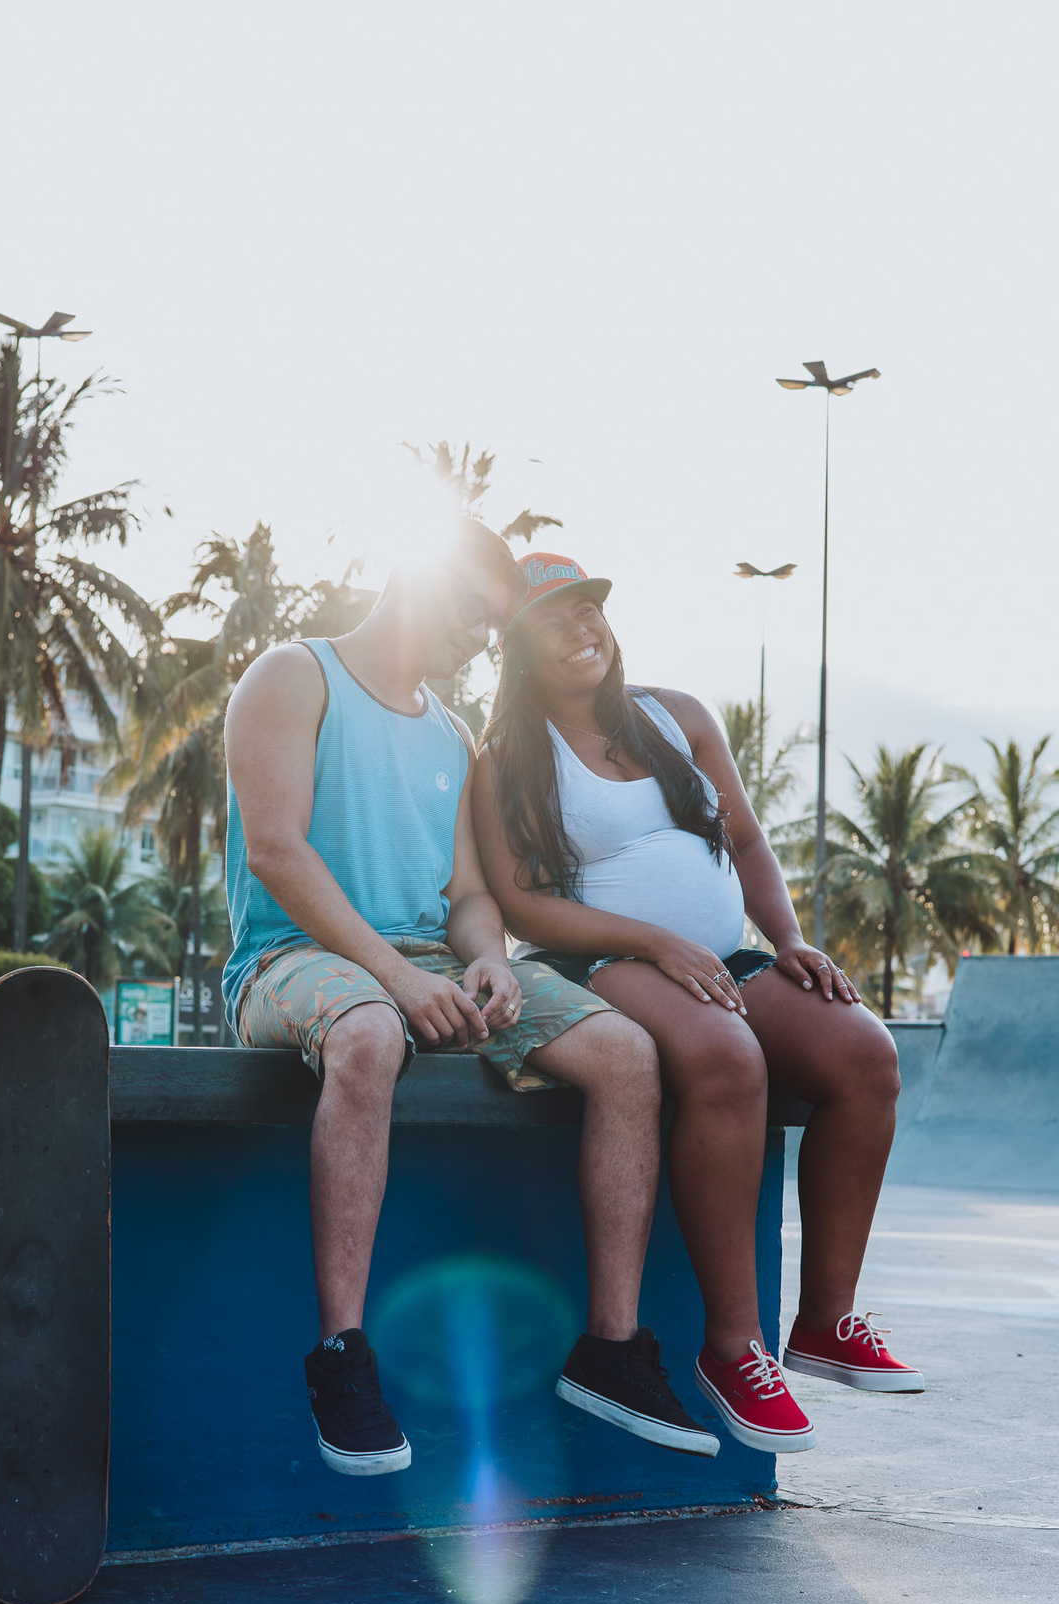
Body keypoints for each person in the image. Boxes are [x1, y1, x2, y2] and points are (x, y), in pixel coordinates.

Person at [222, 519, 723, 1477]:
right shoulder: (294, 674)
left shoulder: (453, 732)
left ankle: (610, 1350)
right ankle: (342, 1357)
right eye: (474, 616)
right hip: (291, 957)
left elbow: (469, 897)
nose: (480, 642)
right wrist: (402, 981)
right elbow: (276, 852)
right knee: (369, 1036)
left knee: (626, 1055)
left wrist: (486, 957)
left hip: (425, 961)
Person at [472, 551, 924, 1457]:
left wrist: (790, 941)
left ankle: (825, 1322)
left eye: (591, 609)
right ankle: (733, 1348)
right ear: (517, 648)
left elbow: (749, 843)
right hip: (599, 959)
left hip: (728, 957)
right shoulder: (510, 759)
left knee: (865, 1055)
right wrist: (651, 939)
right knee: (727, 1058)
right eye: (555, 618)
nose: (582, 628)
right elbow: (520, 902)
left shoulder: (676, 718)